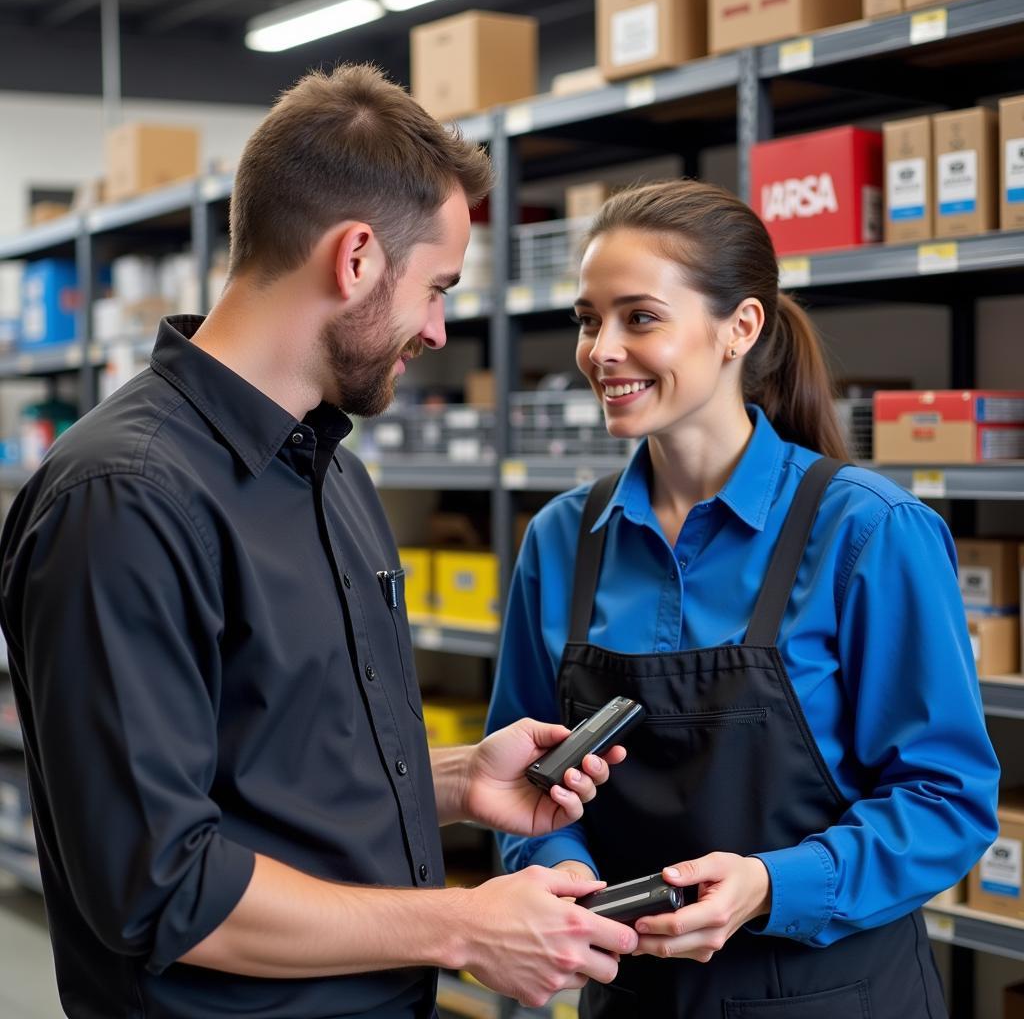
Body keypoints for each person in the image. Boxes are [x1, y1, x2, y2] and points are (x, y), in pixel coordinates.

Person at [0, 65, 642, 1019]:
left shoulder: (329, 470)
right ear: (355, 259)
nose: (434, 327)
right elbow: (162, 888)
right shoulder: (125, 501)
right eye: (436, 288)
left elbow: (279, 777)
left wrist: (463, 782)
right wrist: (461, 925)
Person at [486, 179, 1000, 1018]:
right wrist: (561, 870)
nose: (600, 350)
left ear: (741, 328)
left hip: (831, 994)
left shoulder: (867, 532)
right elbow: (525, 785)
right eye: (588, 319)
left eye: (639, 317)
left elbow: (947, 798)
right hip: (634, 997)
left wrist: (770, 884)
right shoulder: (560, 541)